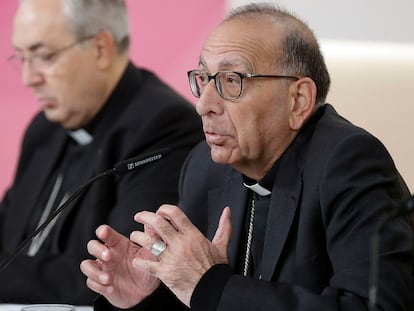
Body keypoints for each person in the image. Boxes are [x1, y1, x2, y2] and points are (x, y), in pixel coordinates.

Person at [80, 3, 414, 311]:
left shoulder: (349, 164)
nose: (203, 104)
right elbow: (199, 299)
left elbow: (376, 306)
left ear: (298, 100)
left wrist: (213, 286)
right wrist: (144, 298)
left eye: (231, 80)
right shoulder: (204, 166)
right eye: (203, 79)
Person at [0, 0, 203, 306]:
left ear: (100, 48)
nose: (29, 78)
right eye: (22, 58)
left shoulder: (163, 127)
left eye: (43, 57)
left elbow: (114, 271)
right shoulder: (45, 129)